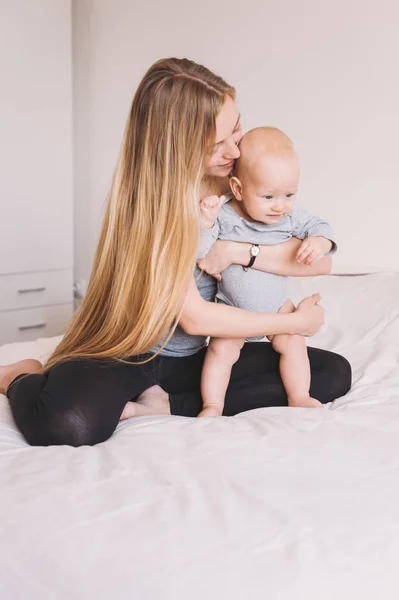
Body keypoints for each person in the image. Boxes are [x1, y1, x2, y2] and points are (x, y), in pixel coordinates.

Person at [0, 58, 351, 447]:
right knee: (66, 425)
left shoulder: (236, 186)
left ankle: (169, 404)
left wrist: (237, 251)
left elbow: (319, 261)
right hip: (127, 353)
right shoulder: (154, 211)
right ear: (180, 147)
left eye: (237, 129)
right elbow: (197, 319)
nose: (236, 148)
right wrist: (293, 324)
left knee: (331, 374)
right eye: (220, 143)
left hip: (192, 360)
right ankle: (17, 374)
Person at [198, 127, 337, 417]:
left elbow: (320, 226)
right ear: (238, 189)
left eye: (289, 194)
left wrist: (319, 242)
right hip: (232, 310)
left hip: (277, 307)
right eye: (268, 197)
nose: (280, 206)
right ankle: (212, 405)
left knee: (294, 343)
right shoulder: (225, 215)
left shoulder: (289, 217)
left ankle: (299, 396)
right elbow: (202, 254)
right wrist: (207, 222)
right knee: (220, 352)